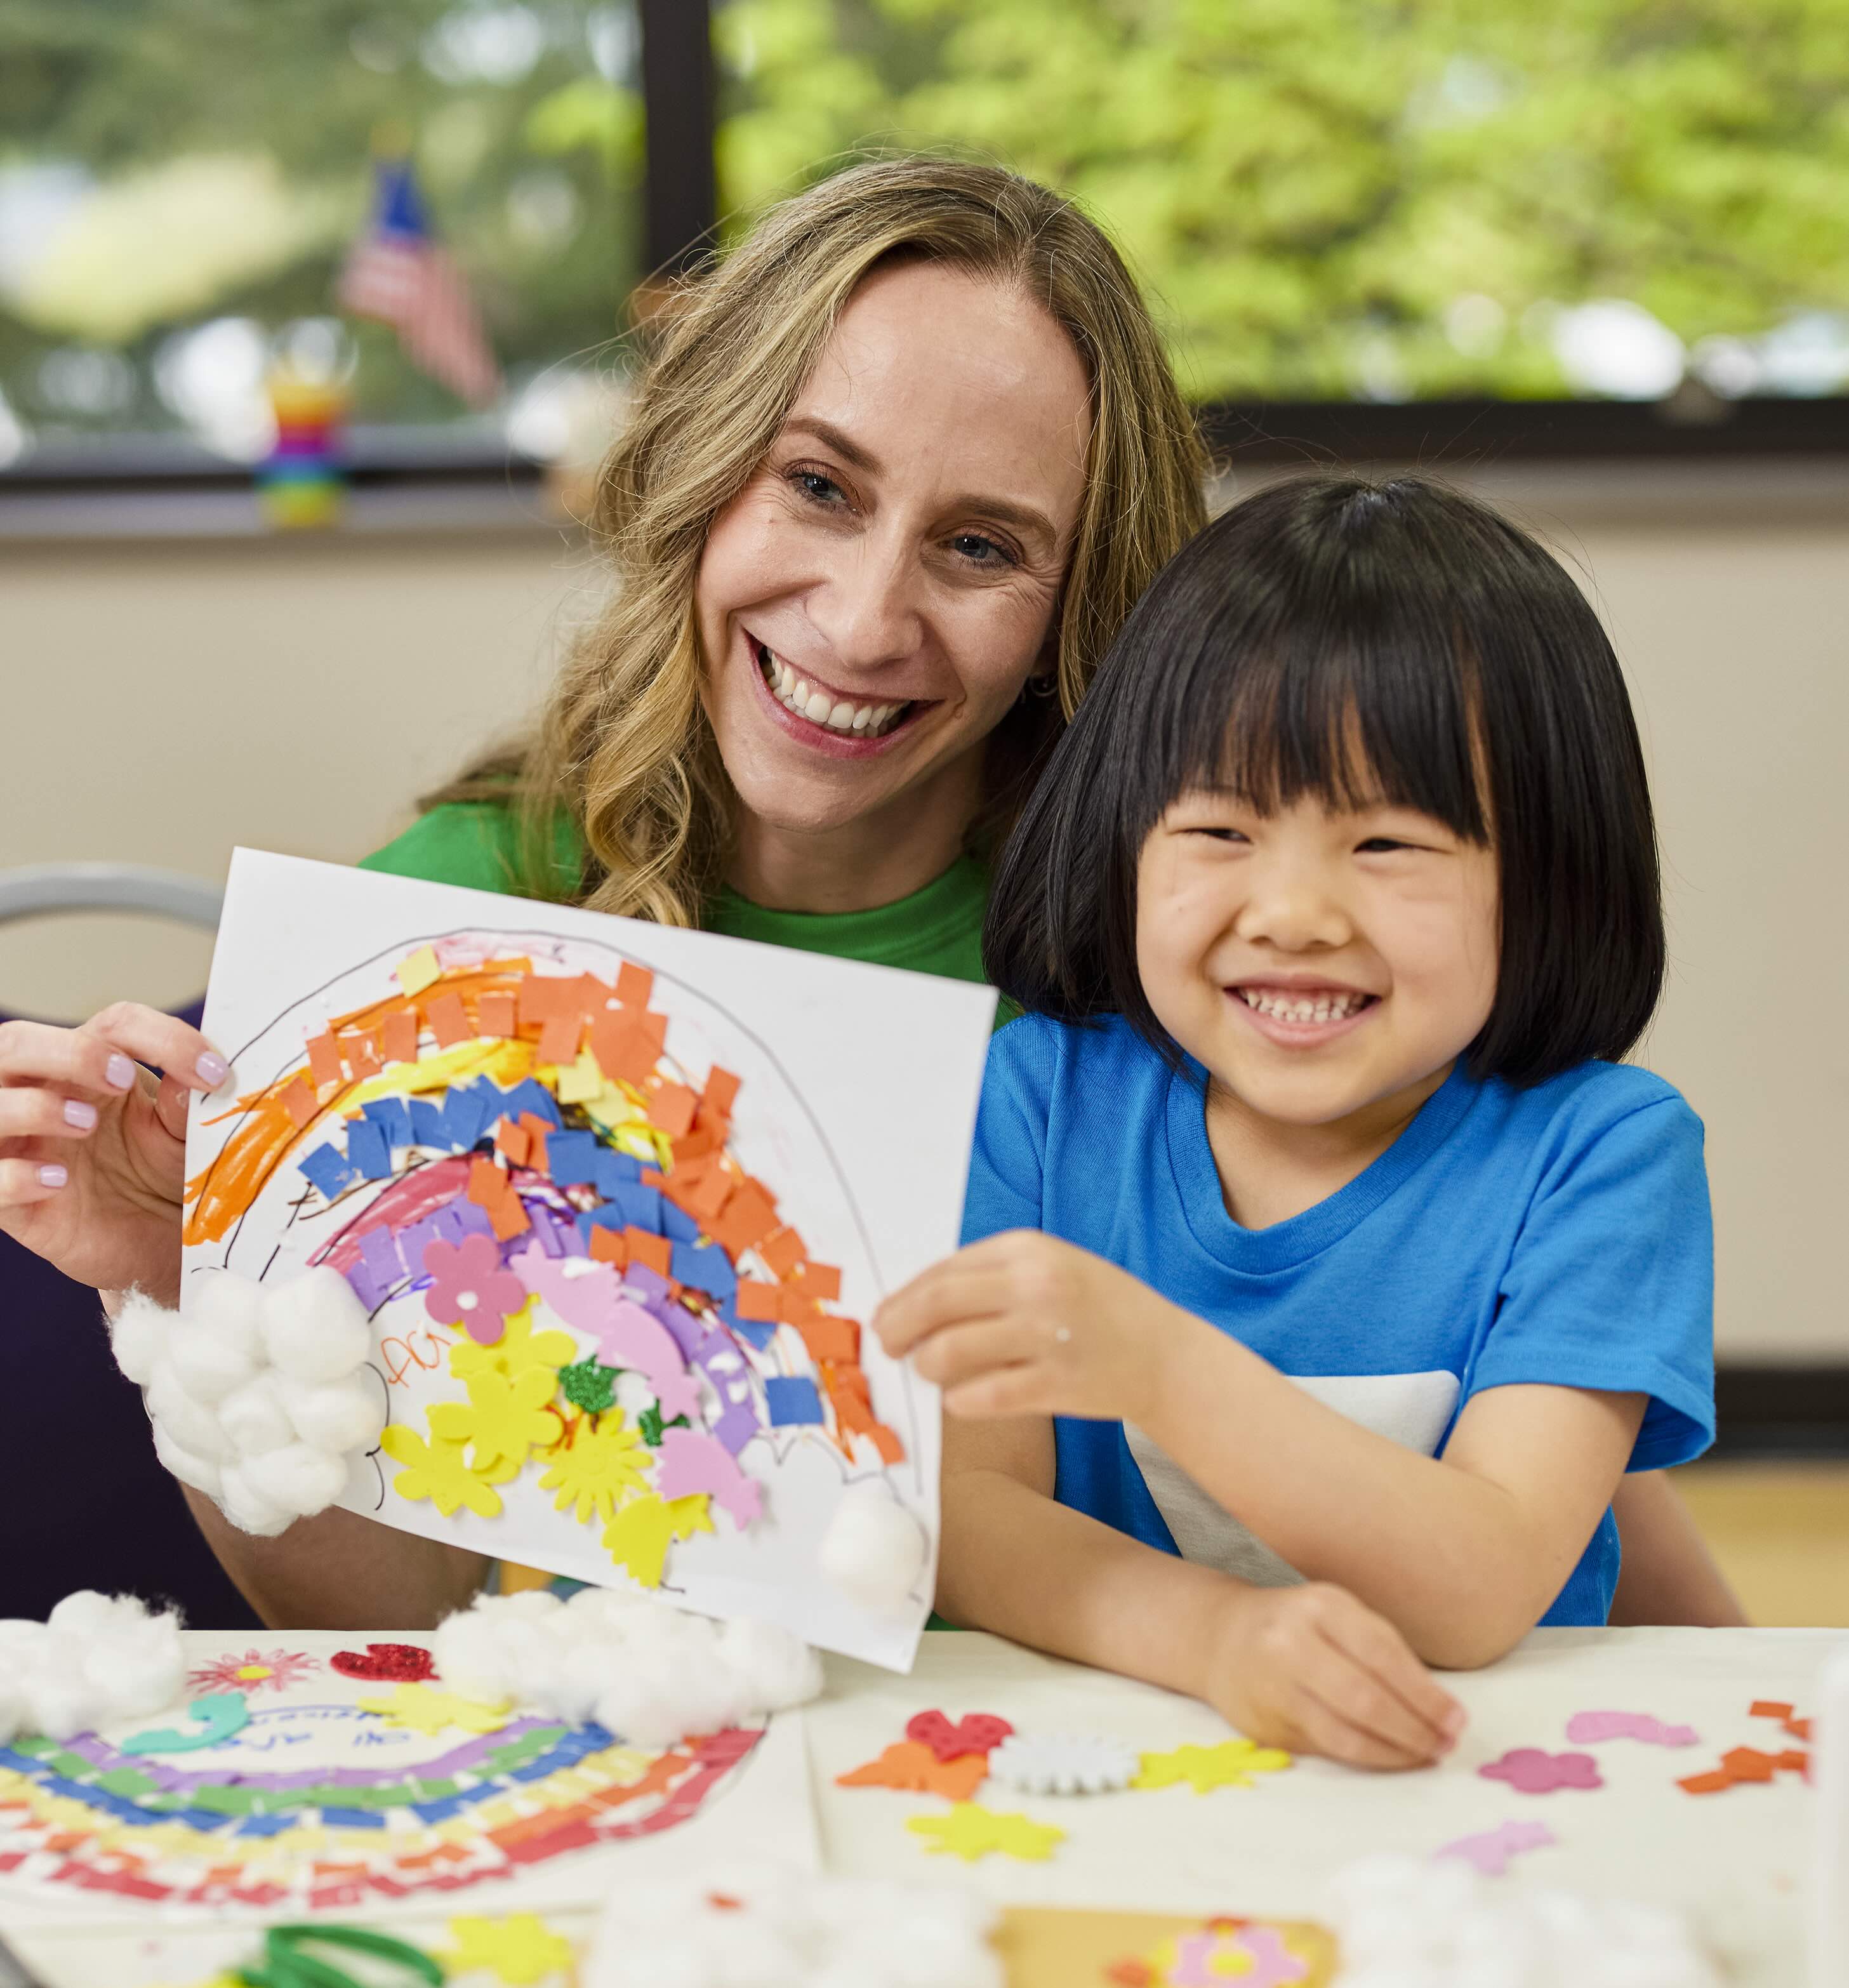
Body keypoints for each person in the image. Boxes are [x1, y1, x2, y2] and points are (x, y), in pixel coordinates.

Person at [0, 163, 1735, 1655]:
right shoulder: (457, 929)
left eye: (980, 546)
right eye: (817, 484)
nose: (861, 614)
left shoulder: (1155, 949)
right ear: (701, 474)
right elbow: (377, 1609)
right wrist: (181, 1277)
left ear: (1076, 604)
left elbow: (1475, 1396)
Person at [873, 474, 1725, 1769]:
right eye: (1217, 827)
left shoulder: (1601, 1155)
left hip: (1486, 1788)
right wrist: (1213, 1641)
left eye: (1385, 844)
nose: (1290, 912)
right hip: (1109, 1764)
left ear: (1548, 874)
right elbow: (968, 1510)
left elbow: (1484, 1577)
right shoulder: (1038, 1102)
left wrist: (1158, 1369)